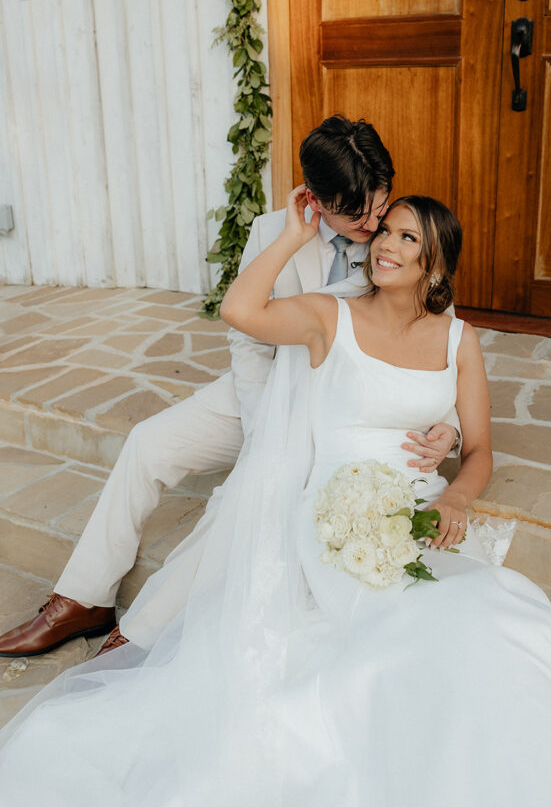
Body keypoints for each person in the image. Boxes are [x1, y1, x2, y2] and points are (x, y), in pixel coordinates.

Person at [0, 188, 551, 807]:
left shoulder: (459, 340)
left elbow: (478, 452)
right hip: (330, 523)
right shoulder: (329, 317)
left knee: (514, 627)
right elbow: (241, 309)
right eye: (386, 232)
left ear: (433, 265)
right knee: (404, 648)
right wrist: (294, 236)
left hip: (409, 520)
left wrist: (453, 499)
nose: (385, 244)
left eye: (406, 238)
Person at [0, 115, 459, 660]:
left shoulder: (400, 238)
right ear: (315, 197)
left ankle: (143, 632)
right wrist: (266, 424)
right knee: (148, 443)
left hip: (344, 410)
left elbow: (434, 340)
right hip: (267, 390)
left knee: (244, 492)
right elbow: (246, 343)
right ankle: (81, 600)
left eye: (379, 205)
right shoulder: (273, 232)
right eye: (355, 212)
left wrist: (450, 425)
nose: (371, 221)